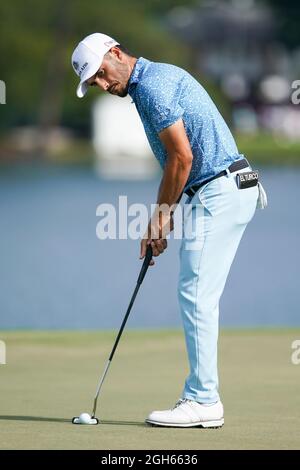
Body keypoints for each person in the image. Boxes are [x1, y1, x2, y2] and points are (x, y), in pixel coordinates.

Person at [71, 33, 267, 428]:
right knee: (199, 292)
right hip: (227, 186)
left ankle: (203, 401)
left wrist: (159, 217)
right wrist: (168, 213)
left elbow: (182, 155)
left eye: (102, 75)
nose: (104, 86)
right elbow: (182, 161)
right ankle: (202, 397)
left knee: (195, 292)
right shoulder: (152, 82)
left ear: (115, 53)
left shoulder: (153, 88)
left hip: (220, 188)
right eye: (95, 84)